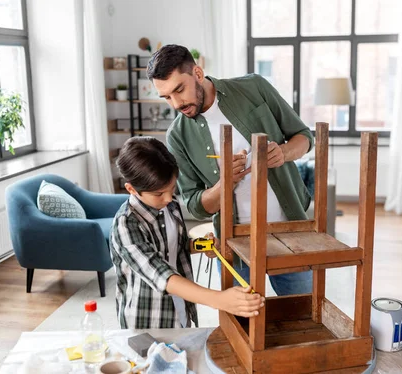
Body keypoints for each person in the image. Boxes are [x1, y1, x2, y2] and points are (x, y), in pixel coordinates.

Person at [147, 44, 314, 296]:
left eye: (179, 90)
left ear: (198, 74)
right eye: (167, 97)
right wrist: (225, 183)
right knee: (242, 328)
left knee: (302, 316)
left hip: (289, 231)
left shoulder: (254, 87)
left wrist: (283, 153)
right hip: (233, 245)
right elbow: (195, 206)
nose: (176, 103)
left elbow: (304, 137)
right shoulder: (177, 136)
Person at [110, 137, 264, 329]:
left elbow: (176, 245)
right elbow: (161, 274)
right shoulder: (126, 224)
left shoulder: (170, 206)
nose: (168, 198)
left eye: (172, 189)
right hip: (149, 322)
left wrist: (201, 245)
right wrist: (219, 300)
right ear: (131, 189)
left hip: (180, 311)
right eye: (159, 194)